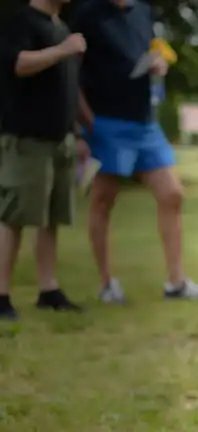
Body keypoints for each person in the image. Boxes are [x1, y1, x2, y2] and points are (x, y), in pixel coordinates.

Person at [68, 0, 198, 303]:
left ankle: (176, 283)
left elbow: (150, 49)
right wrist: (82, 122)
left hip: (145, 123)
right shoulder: (86, 13)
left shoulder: (143, 11)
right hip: (104, 121)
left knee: (171, 193)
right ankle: (107, 284)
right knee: (102, 200)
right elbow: (71, 72)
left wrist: (158, 65)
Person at [0, 0, 88, 320]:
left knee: (52, 218)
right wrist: (63, 50)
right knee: (14, 216)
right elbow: (19, 64)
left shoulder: (59, 25)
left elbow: (63, 88)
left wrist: (76, 134)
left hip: (59, 139)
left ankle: (48, 289)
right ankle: (1, 294)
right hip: (27, 139)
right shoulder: (20, 20)